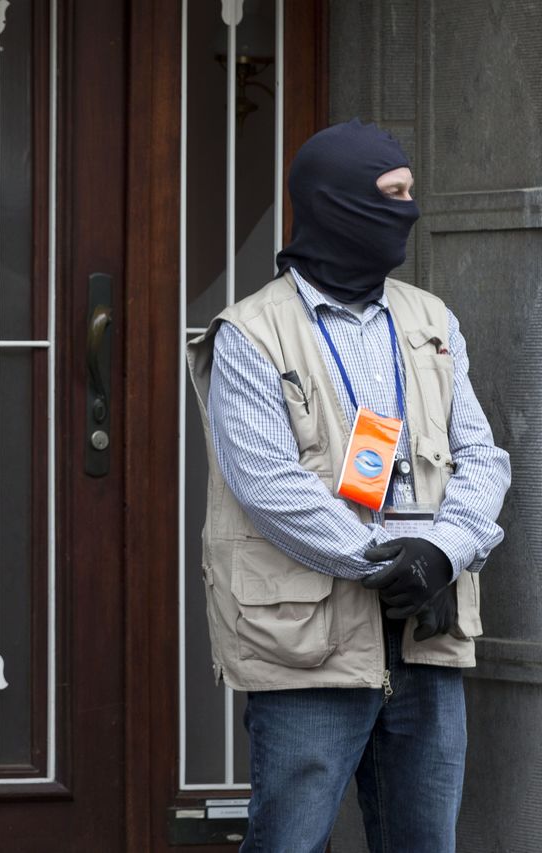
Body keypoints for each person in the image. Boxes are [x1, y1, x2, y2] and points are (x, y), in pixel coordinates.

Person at [187, 119, 510, 852]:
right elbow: (269, 485)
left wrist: (442, 552)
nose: (410, 211)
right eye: (392, 195)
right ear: (338, 203)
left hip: (424, 627)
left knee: (424, 840)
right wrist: (386, 557)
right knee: (290, 841)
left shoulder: (431, 320)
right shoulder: (250, 333)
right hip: (309, 642)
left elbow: (482, 457)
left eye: (411, 193)